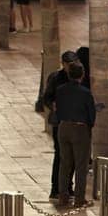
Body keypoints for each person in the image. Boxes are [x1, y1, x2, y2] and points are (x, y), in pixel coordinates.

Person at [53, 59, 97, 207]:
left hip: (63, 127)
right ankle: (79, 199)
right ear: (82, 75)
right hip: (80, 129)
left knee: (64, 164)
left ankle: (63, 196)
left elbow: (57, 108)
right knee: (81, 165)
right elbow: (91, 115)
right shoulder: (85, 93)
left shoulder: (60, 90)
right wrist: (88, 127)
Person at [42, 50, 80, 202]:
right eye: (68, 64)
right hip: (60, 122)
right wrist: (54, 106)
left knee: (73, 155)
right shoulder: (56, 78)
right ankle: (55, 188)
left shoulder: (78, 76)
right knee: (60, 155)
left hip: (75, 121)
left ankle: (68, 187)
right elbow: (47, 97)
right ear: (63, 64)